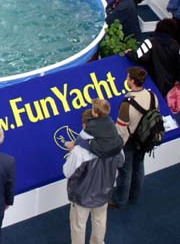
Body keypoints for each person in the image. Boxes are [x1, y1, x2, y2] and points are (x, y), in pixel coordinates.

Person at [63, 107, 124, 244]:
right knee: (100, 221)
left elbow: (67, 172)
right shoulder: (115, 143)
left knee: (79, 225)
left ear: (85, 125)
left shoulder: (79, 151)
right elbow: (121, 162)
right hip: (105, 191)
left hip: (82, 196)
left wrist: (72, 152)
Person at [110, 67, 159, 209]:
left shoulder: (127, 104)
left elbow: (121, 130)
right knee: (139, 167)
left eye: (127, 77)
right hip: (146, 139)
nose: (126, 79)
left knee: (125, 171)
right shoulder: (152, 96)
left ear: (132, 81)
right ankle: (134, 196)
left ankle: (120, 200)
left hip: (130, 141)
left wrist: (117, 146)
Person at [125, 19, 180, 98]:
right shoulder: (176, 45)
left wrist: (129, 52)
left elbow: (138, 57)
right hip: (169, 86)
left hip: (152, 83)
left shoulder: (150, 42)